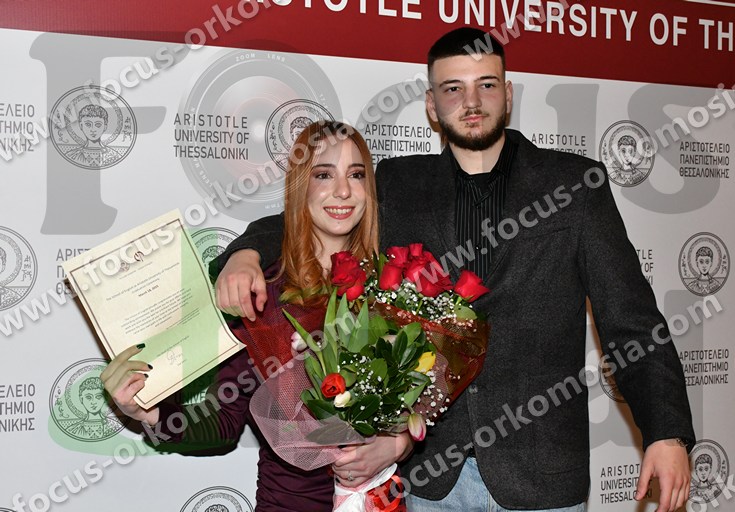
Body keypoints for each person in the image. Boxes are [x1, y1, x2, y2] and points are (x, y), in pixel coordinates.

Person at [211, 28, 695, 512]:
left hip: (542, 478)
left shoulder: (574, 185)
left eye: (486, 84)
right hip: (431, 481)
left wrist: (667, 432)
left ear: (508, 94)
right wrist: (246, 253)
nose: (472, 101)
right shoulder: (399, 183)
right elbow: (313, 212)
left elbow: (631, 318)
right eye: (453, 88)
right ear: (431, 105)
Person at [100, 121, 412, 511]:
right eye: (323, 175)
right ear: (300, 186)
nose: (343, 191)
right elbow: (224, 419)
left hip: (384, 503)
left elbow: (424, 402)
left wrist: (398, 442)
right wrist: (151, 413)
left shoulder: (394, 283)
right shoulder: (261, 292)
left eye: (356, 174)